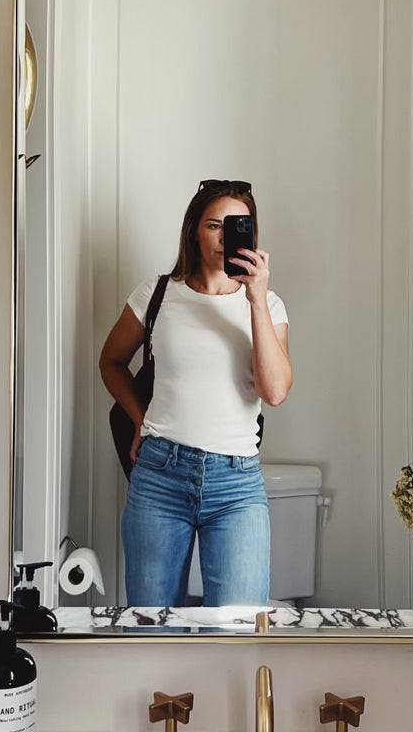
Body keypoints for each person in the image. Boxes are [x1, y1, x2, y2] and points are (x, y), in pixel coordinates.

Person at [99, 179, 292, 607]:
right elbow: (110, 362)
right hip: (159, 476)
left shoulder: (268, 304)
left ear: (252, 233)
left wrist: (255, 299)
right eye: (213, 225)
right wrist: (139, 418)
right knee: (151, 630)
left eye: (237, 226)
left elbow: (275, 391)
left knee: (240, 631)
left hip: (236, 485)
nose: (225, 237)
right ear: (194, 231)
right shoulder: (157, 294)